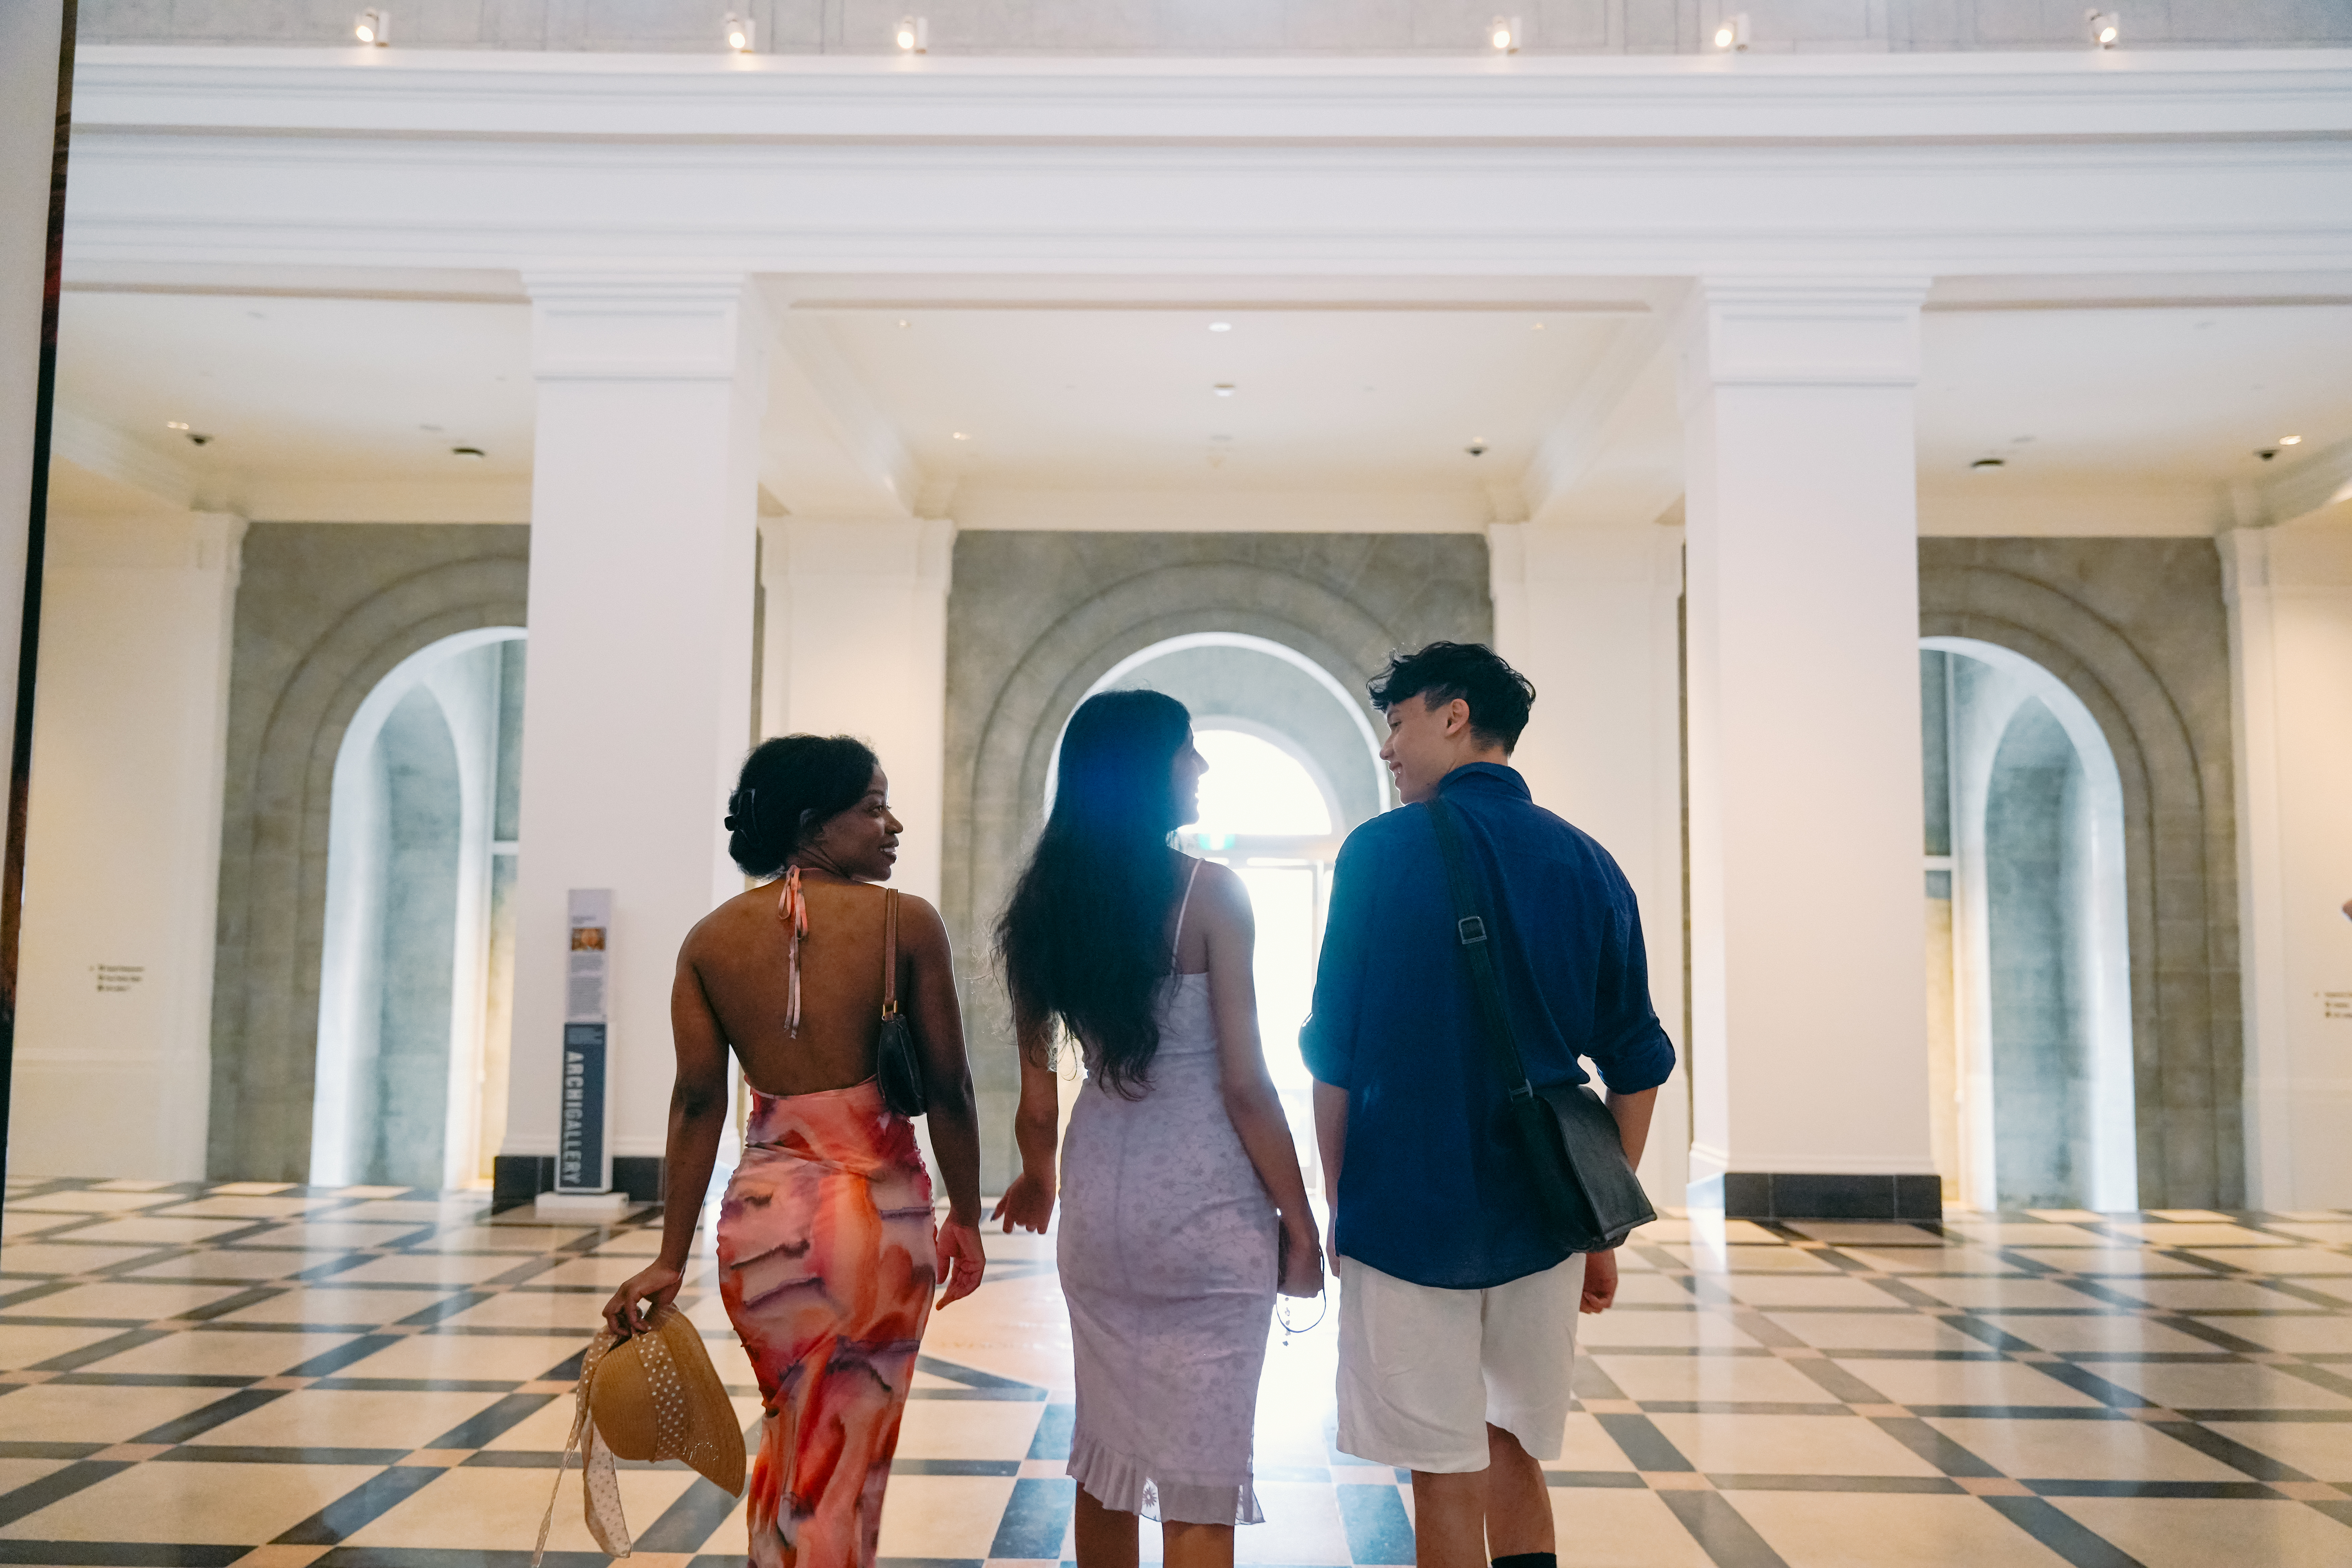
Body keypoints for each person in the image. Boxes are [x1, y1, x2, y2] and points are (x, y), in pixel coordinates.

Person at [1302, 642, 1676, 1568]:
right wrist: (1599, 1216)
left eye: (1398, 722)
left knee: (1439, 1466)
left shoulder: (1380, 854)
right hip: (1542, 1213)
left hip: (1406, 1207)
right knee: (1510, 1439)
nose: (1389, 747)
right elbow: (1638, 1059)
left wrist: (1340, 1200)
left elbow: (1335, 1056)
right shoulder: (1589, 864)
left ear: (1454, 715)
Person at [602, 734, 988, 1568]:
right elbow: (951, 1088)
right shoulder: (904, 921)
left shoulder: (710, 940)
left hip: (761, 1223)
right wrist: (967, 1211)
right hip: (873, 1225)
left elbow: (699, 1099)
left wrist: (670, 1255)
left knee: (794, 1440)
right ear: (816, 822)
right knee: (845, 1459)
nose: (894, 825)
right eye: (873, 807)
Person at [992, 689, 1324, 1568]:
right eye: (1187, 749)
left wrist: (1038, 1179)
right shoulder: (1211, 896)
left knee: (1104, 1457)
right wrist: (1299, 1220)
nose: (1202, 767)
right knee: (1198, 1478)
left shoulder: (1040, 911)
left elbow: (1036, 1100)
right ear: (1148, 771)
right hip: (1206, 1211)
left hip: (1099, 1205)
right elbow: (1247, 1088)